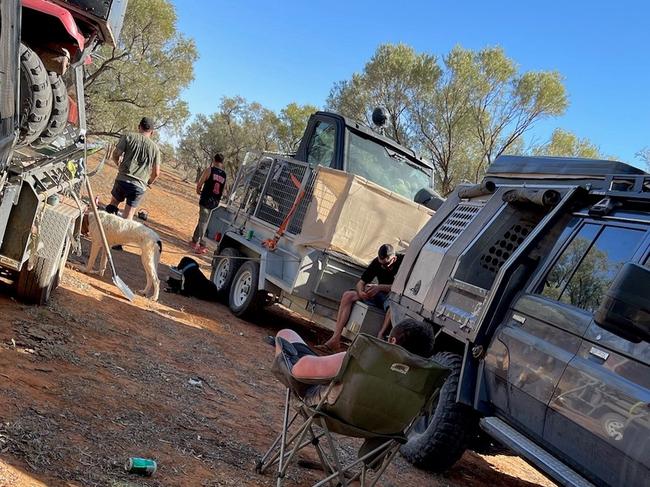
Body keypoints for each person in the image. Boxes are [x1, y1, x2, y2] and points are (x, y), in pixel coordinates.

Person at [274, 319, 434, 381]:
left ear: (392, 341)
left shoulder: (360, 360)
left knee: (286, 334)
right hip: (381, 427)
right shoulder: (420, 383)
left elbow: (299, 370)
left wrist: (289, 359)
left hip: (333, 410)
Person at [318, 243, 404, 353]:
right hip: (378, 293)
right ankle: (335, 338)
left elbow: (402, 288)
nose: (383, 266)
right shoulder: (376, 262)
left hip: (392, 297)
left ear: (394, 258)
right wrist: (361, 292)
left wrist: (380, 287)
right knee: (348, 295)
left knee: (394, 306)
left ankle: (380, 335)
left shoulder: (403, 263)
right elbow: (361, 282)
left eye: (386, 264)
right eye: (381, 263)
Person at [109, 117, 161, 220]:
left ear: (139, 127)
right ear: (152, 132)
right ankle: (123, 235)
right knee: (129, 213)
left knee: (113, 204)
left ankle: (105, 231)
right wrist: (149, 182)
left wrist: (118, 164)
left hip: (122, 179)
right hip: (139, 185)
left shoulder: (128, 136)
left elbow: (116, 154)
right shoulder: (155, 148)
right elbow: (156, 173)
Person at [190, 153, 227, 254]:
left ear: (214, 160)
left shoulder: (209, 170)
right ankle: (194, 240)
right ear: (222, 162)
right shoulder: (224, 175)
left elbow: (201, 182)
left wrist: (198, 190)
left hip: (206, 199)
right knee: (204, 220)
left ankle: (202, 244)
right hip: (215, 202)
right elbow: (223, 190)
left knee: (203, 222)